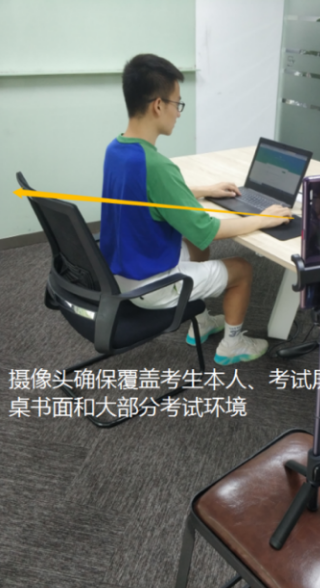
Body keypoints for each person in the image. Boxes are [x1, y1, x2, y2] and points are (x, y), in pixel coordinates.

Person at [100, 54, 291, 365]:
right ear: (158, 105)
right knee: (242, 268)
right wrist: (262, 218)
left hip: (121, 273)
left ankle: (200, 324)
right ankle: (233, 345)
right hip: (152, 285)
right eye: (177, 104)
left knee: (195, 247)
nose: (178, 113)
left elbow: (149, 193)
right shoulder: (158, 166)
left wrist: (205, 190)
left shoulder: (117, 149)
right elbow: (209, 229)